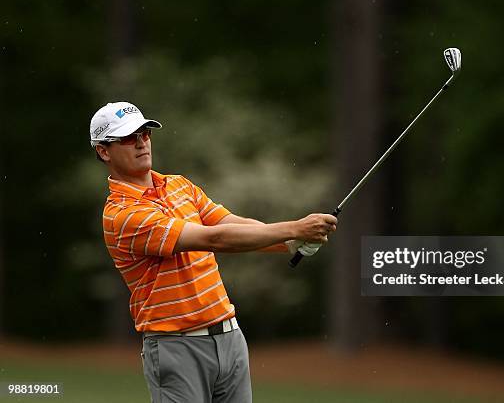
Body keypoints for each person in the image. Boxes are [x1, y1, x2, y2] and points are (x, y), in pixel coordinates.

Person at [90, 101, 337, 403]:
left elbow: (234, 224)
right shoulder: (122, 214)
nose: (142, 143)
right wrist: (294, 229)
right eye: (129, 138)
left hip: (230, 338)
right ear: (104, 151)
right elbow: (214, 238)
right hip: (176, 347)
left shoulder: (179, 185)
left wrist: (289, 242)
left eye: (145, 133)